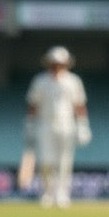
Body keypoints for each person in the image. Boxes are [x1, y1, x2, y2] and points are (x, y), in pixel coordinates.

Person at [23, 46, 90, 208]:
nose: (57, 66)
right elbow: (33, 104)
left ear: (66, 63)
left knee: (64, 162)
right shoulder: (40, 81)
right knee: (46, 162)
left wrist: (82, 125)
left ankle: (62, 194)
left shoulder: (73, 81)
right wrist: (29, 124)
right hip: (45, 124)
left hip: (67, 124)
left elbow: (79, 105)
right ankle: (47, 193)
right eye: (54, 63)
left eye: (60, 63)